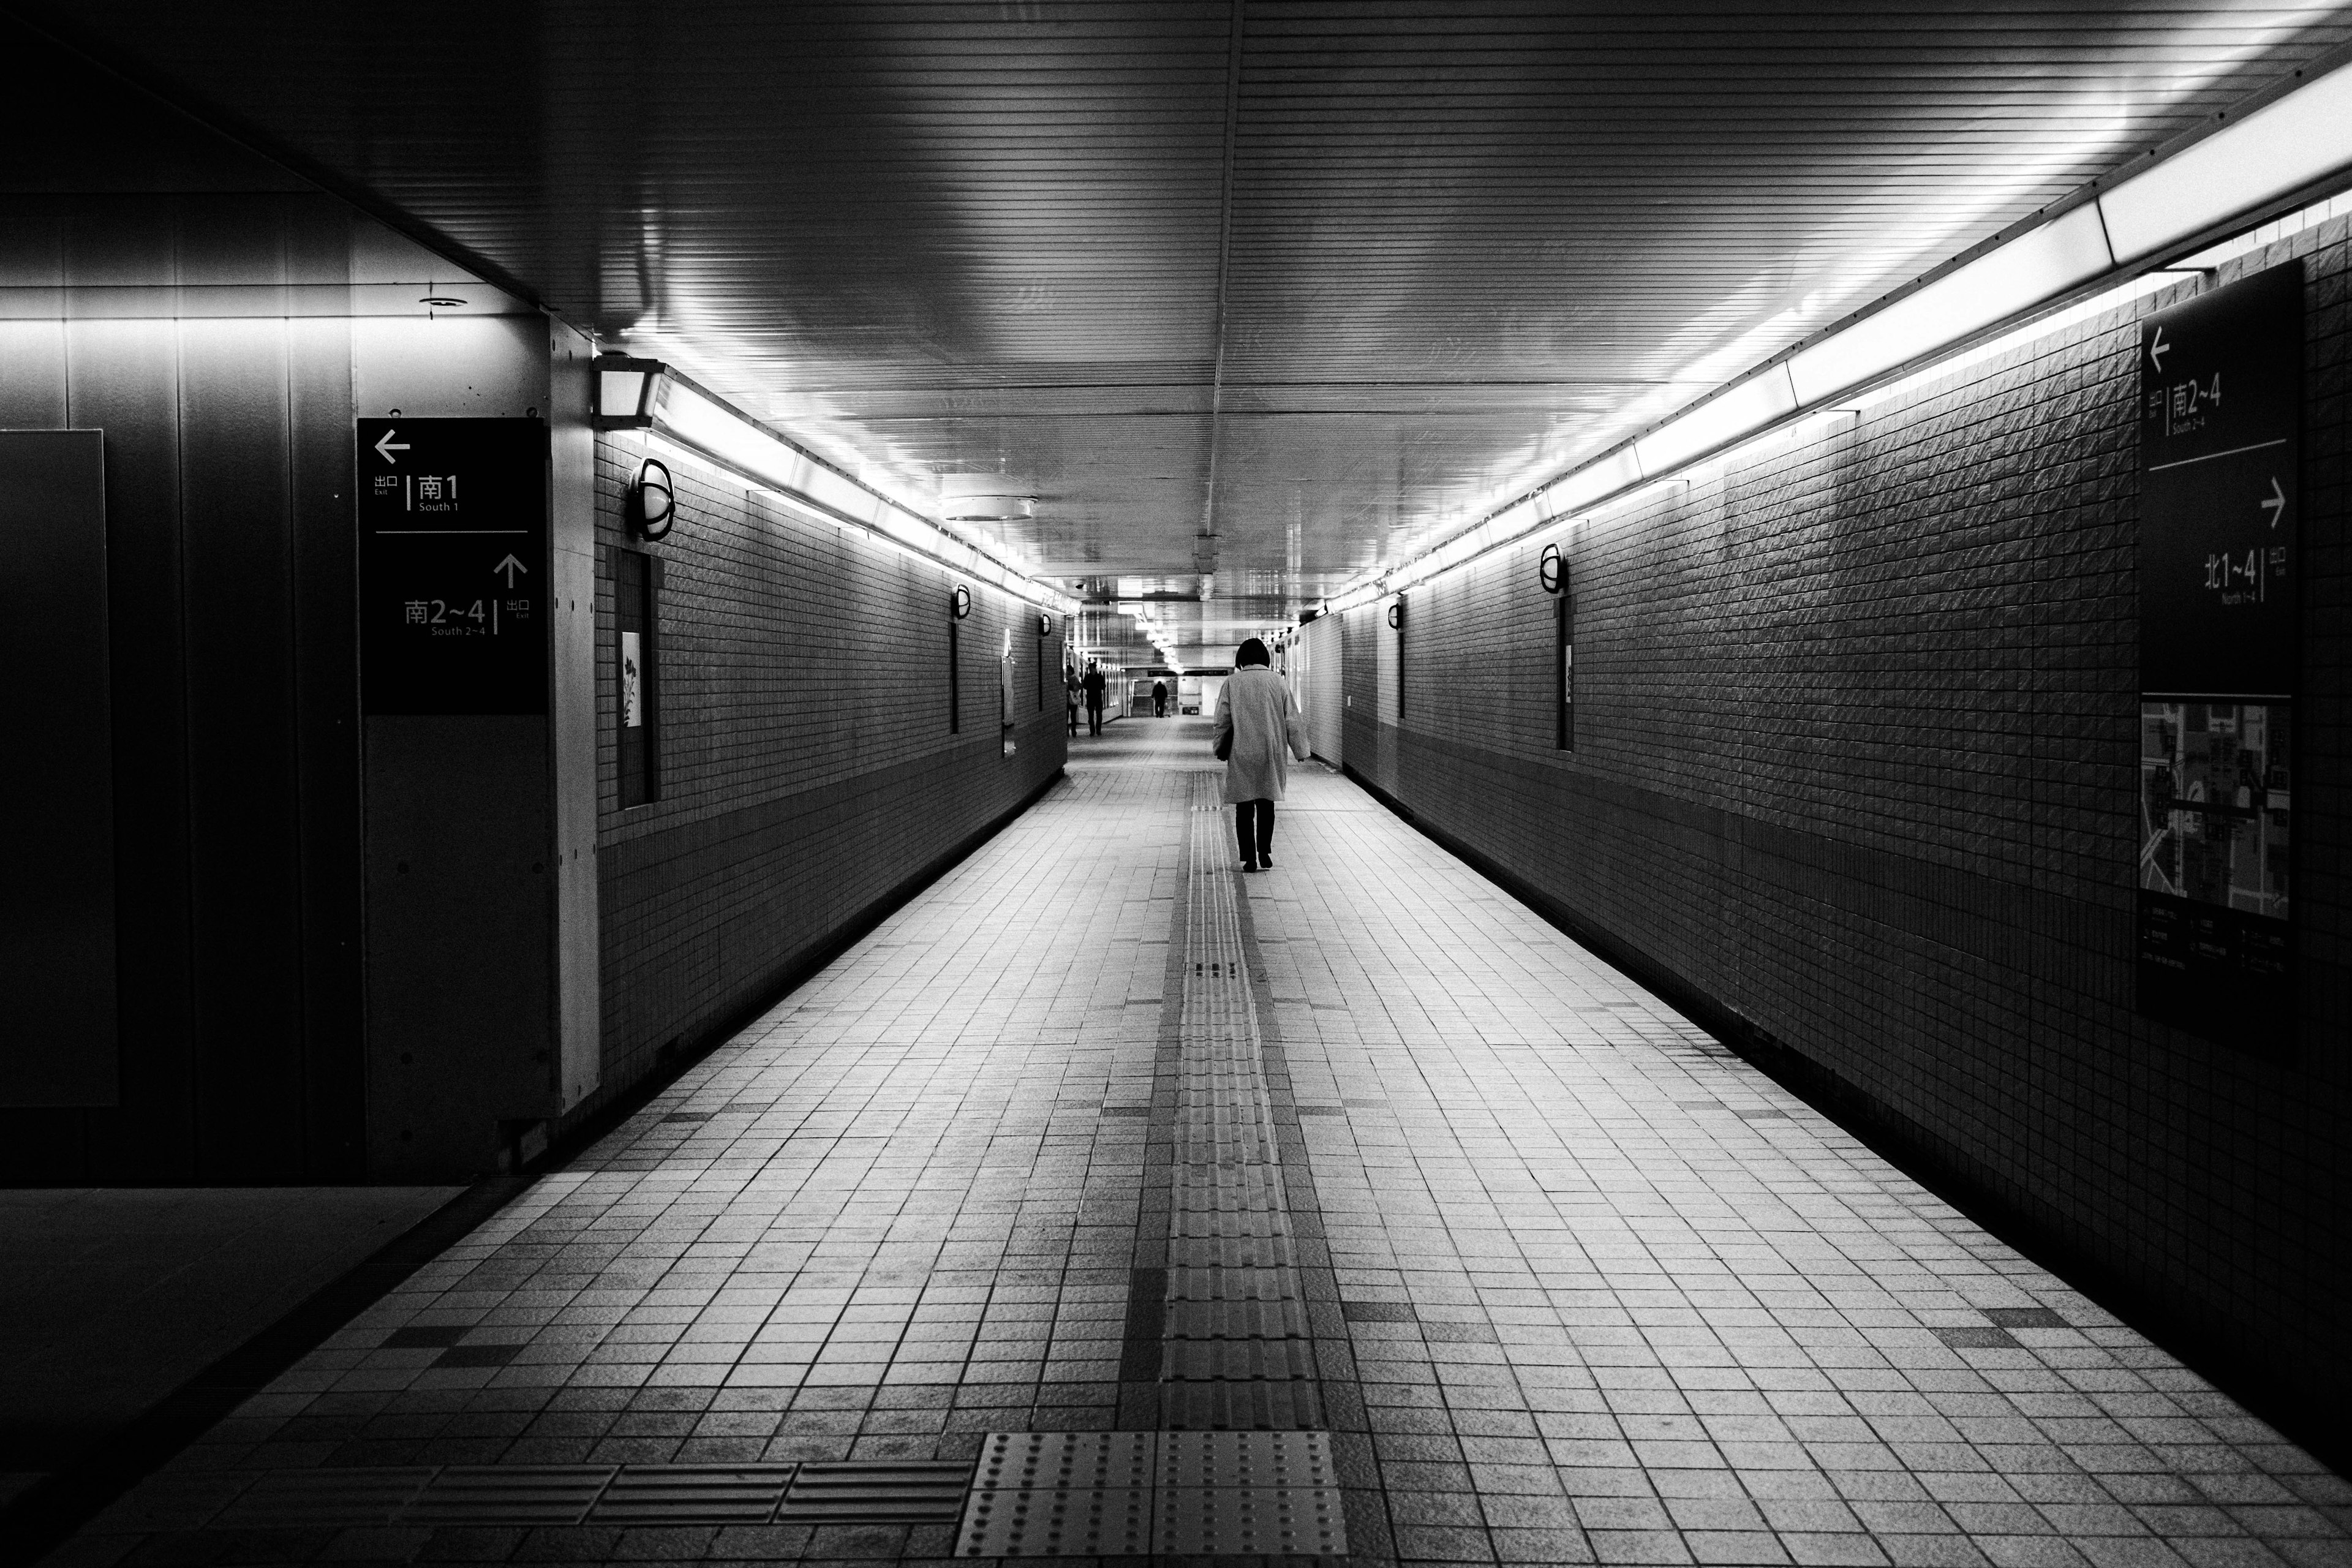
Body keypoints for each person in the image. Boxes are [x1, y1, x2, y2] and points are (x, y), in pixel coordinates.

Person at [1215, 638, 1310, 873]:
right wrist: (1300, 750)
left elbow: (1222, 721)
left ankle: (1248, 858)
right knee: (1267, 804)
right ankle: (1265, 851)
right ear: (1266, 659)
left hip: (1242, 752)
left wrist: (1219, 748)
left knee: (1244, 808)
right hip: (1271, 751)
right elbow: (1292, 719)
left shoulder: (1232, 683)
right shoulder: (1278, 682)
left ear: (1242, 660)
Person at [1083, 661, 1107, 736]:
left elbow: (1085, 686)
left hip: (1094, 698)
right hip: (1094, 698)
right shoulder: (1098, 677)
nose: (1090, 669)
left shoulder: (1089, 677)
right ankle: (1094, 730)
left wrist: (1092, 687)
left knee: (1098, 715)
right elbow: (1085, 686)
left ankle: (1097, 730)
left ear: (1094, 668)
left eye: (1091, 668)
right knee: (1092, 716)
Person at [1065, 666, 1082, 736]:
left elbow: (1076, 688)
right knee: (1070, 716)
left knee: (1072, 717)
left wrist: (1069, 687)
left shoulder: (1074, 679)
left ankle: (1073, 731)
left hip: (1072, 700)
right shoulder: (1067, 679)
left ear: (1071, 671)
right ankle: (1071, 731)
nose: (1067, 672)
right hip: (1068, 701)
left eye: (1068, 670)